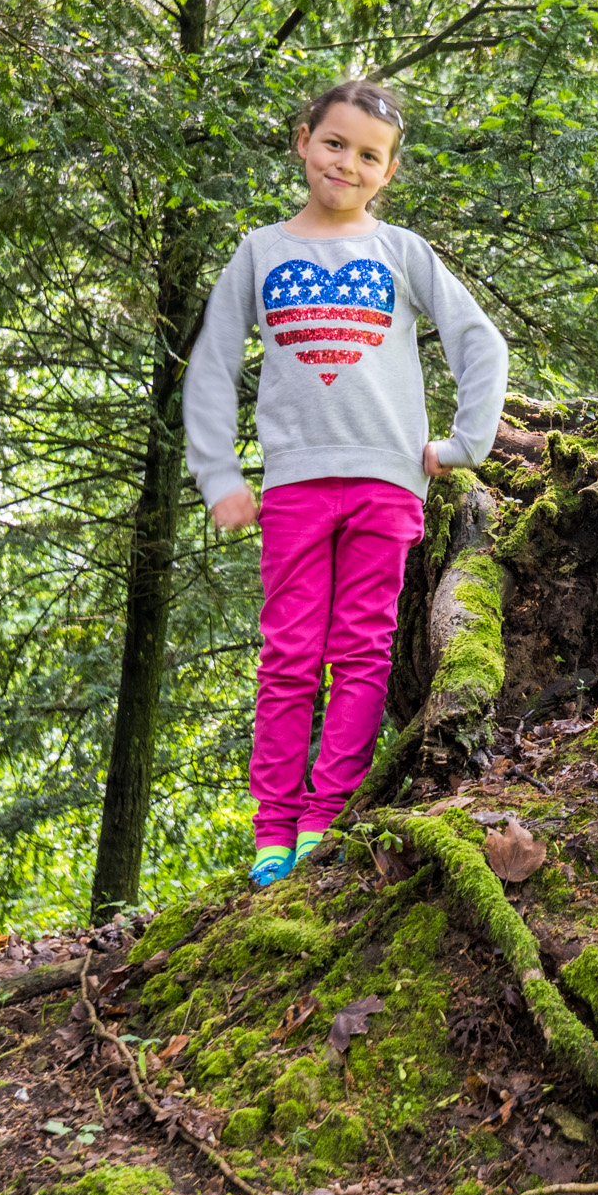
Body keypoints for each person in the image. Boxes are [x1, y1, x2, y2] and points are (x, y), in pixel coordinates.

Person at [184, 79, 509, 887]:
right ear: (302, 140)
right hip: (294, 486)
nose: (348, 163)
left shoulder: (401, 251)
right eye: (335, 143)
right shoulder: (261, 251)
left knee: (361, 654)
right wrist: (220, 472)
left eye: (370, 154)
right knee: (290, 654)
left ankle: (326, 817)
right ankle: (272, 833)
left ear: (388, 171)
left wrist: (465, 442)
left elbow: (479, 340)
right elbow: (214, 362)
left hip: (387, 482)